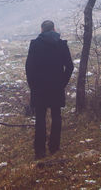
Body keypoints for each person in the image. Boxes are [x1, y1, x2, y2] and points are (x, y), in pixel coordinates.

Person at [24, 19, 74, 159]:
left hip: (39, 87)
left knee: (40, 118)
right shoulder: (61, 44)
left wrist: (32, 85)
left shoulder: (34, 44)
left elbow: (29, 67)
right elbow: (70, 66)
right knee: (56, 116)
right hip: (56, 86)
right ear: (54, 29)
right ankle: (54, 147)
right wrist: (62, 82)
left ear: (41, 30)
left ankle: (39, 151)